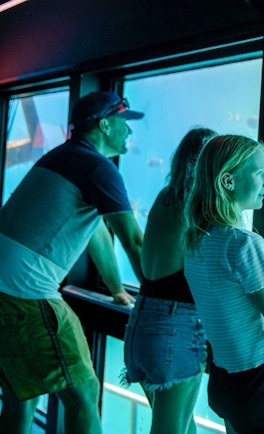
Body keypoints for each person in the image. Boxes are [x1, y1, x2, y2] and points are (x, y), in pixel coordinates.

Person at [0, 91, 145, 434]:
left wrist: (117, 291)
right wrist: (159, 299)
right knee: (83, 393)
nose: (129, 132)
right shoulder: (98, 167)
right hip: (26, 293)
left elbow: (96, 237)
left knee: (21, 393)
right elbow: (135, 242)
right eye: (124, 123)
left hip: (4, 288)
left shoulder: (61, 157)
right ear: (105, 124)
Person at [182, 135, 264, 434]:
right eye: (259, 172)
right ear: (228, 181)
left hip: (226, 382)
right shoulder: (244, 244)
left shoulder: (194, 242)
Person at [122, 127, 217, 434]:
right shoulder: (197, 206)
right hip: (174, 332)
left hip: (141, 325)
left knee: (180, 425)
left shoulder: (165, 197)